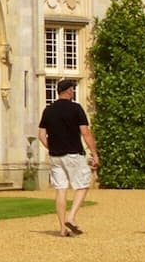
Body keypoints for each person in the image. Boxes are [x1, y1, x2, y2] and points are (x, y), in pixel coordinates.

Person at [37, 78, 98, 237]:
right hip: (73, 154)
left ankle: (62, 229)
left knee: (61, 190)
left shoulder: (48, 110)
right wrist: (94, 153)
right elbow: (86, 133)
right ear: (69, 91)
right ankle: (71, 217)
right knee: (83, 185)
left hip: (55, 157)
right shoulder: (76, 108)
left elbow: (41, 135)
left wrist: (52, 147)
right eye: (72, 90)